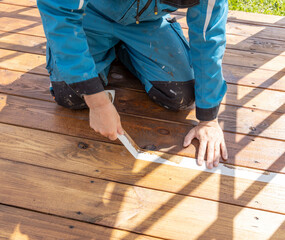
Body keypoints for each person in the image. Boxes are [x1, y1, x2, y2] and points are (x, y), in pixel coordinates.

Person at [37, 0, 228, 169]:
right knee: (72, 95)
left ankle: (124, 50)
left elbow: (208, 39)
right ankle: (102, 50)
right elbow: (60, 13)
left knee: (180, 94)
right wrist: (98, 102)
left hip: (146, 23)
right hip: (89, 17)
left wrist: (208, 119)